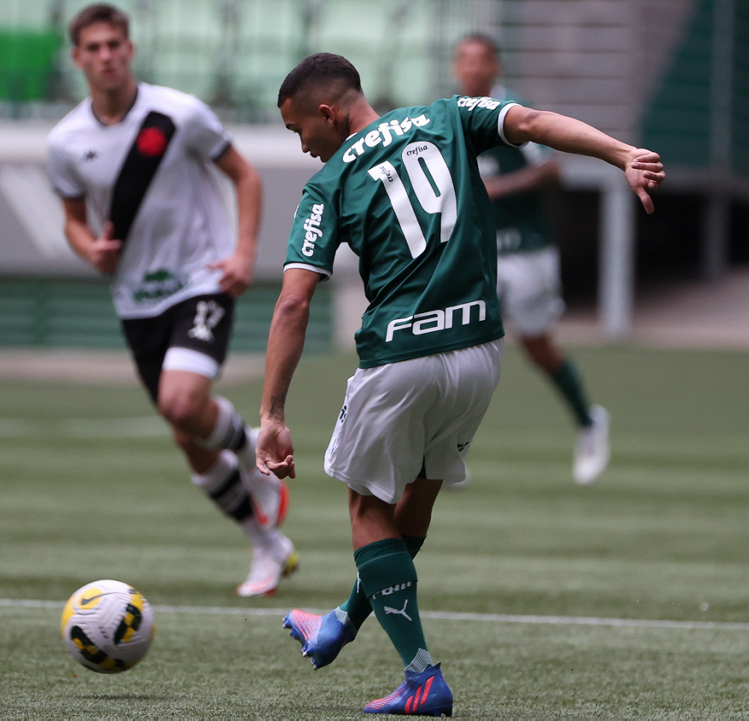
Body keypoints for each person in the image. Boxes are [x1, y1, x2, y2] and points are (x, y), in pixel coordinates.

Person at [258, 54, 662, 714]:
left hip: (400, 356)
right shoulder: (448, 117)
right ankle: (342, 621)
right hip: (479, 350)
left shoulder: (327, 184)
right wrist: (622, 154)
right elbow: (533, 123)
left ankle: (420, 676)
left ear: (327, 113)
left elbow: (293, 303)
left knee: (366, 509)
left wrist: (272, 412)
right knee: (415, 498)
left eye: (298, 129)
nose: (302, 145)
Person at [45, 3, 296, 597]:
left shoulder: (178, 114)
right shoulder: (65, 141)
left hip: (200, 280)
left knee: (182, 403)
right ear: (77, 58)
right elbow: (73, 221)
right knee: (186, 432)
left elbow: (245, 176)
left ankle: (253, 455)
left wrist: (242, 253)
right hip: (136, 299)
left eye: (114, 44)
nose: (106, 56)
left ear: (130, 49)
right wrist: (89, 249)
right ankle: (267, 546)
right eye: (93, 48)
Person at [455, 34, 609, 484]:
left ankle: (589, 422)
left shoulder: (513, 112)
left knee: (537, 347)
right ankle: (448, 450)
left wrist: (500, 189)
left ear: (496, 67)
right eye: (464, 60)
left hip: (527, 247)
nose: (472, 68)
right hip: (480, 251)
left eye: (481, 60)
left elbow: (552, 170)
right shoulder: (449, 115)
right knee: (462, 348)